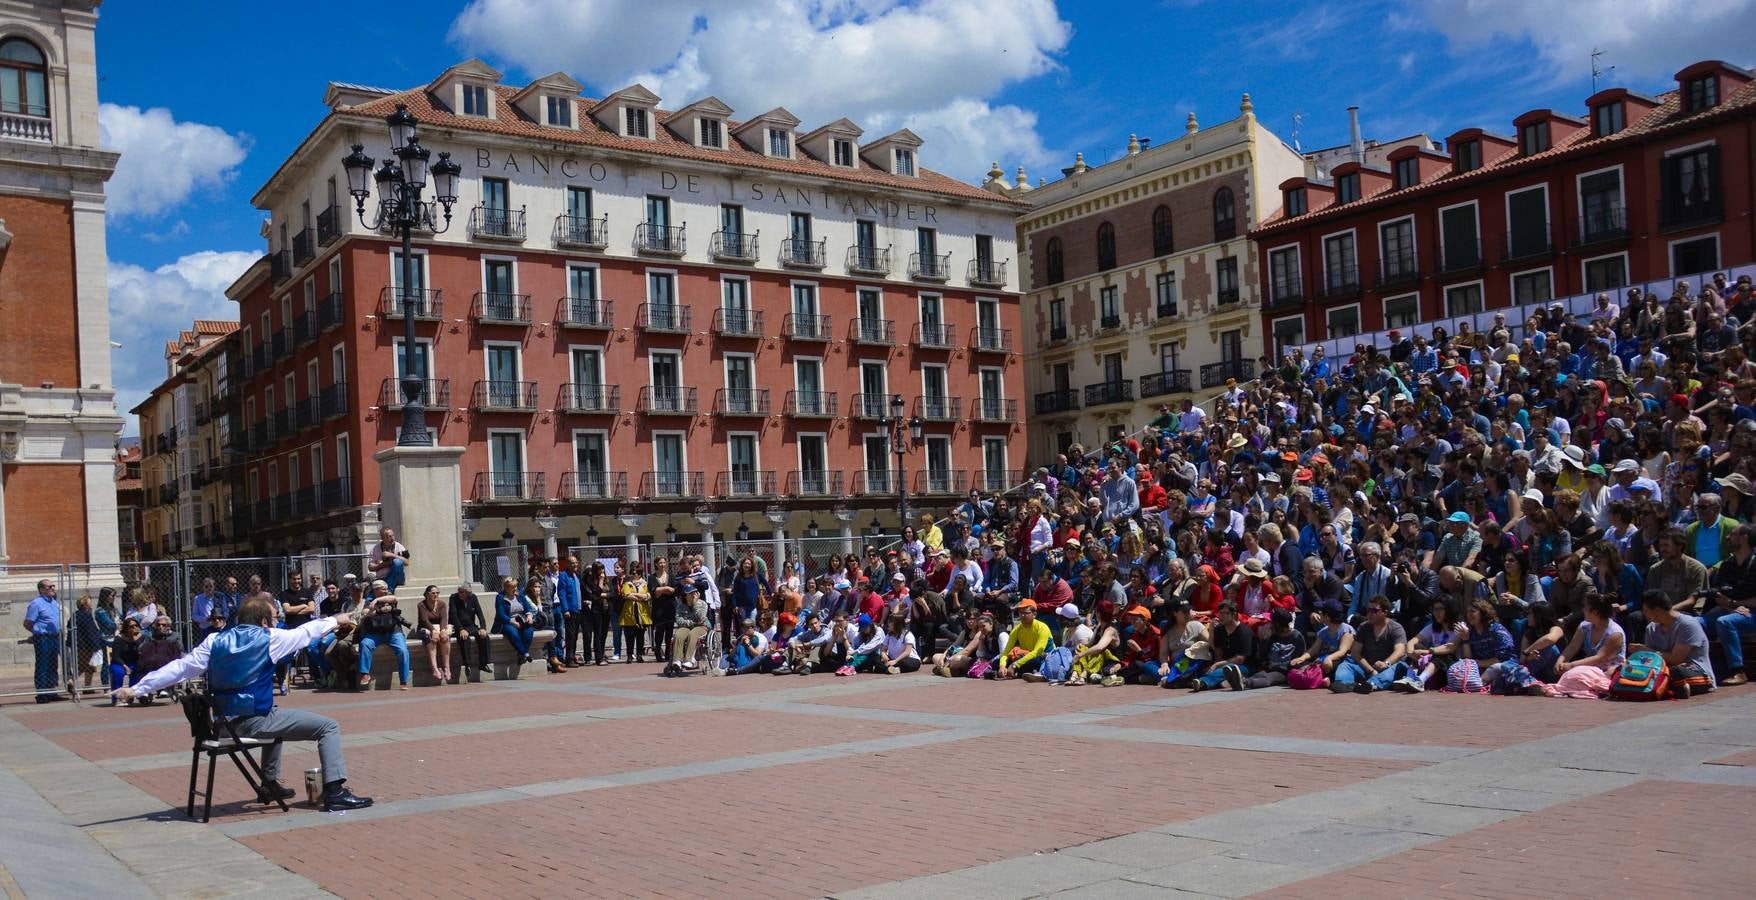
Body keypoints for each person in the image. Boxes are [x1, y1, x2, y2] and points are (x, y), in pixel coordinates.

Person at [114, 596, 373, 811]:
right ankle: (335, 791)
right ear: (263, 622)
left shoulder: (215, 641)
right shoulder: (269, 638)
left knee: (276, 715)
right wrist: (336, 619)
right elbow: (306, 632)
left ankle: (269, 783)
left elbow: (180, 668)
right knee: (328, 727)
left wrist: (136, 688)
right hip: (253, 723)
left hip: (222, 725)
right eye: (272, 619)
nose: (275, 624)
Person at [1634, 592, 1716, 697]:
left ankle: (1670, 688)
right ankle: (1673, 689)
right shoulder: (1651, 628)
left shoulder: (1688, 625)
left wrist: (1646, 651)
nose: (1644, 614)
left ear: (1658, 611)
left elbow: (1676, 659)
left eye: (1646, 611)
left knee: (1676, 671)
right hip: (1664, 670)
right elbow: (1651, 661)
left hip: (1694, 671)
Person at [1330, 595, 1408, 694]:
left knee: (1398, 667)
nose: (1370, 614)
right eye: (1369, 610)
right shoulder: (1364, 627)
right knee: (1345, 665)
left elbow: (1400, 651)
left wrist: (1386, 663)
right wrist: (1370, 670)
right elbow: (1355, 653)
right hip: (1368, 668)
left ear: (1385, 612)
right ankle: (1343, 684)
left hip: (1388, 668)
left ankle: (1371, 685)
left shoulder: (1396, 628)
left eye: (1374, 611)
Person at [355, 583, 412, 690]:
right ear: (375, 590)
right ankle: (365, 674)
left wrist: (377, 600)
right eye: (383, 589)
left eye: (386, 588)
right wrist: (378, 610)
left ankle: (404, 681)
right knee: (365, 644)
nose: (386, 591)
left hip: (393, 632)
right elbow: (366, 613)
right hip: (375, 633)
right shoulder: (369, 600)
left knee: (403, 651)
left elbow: (394, 598)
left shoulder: (389, 598)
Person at [22, 580, 63, 703]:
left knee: (53, 665)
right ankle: (41, 694)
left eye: (53, 586)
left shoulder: (54, 602)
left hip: (54, 637)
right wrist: (37, 631)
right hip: (43, 638)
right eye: (49, 586)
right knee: (42, 666)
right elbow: (28, 623)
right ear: (41, 590)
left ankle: (51, 692)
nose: (52, 588)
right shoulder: (36, 603)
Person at [995, 599, 1051, 680]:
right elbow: (1006, 651)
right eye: (1020, 613)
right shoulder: (1016, 629)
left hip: (1043, 657)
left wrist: (1015, 665)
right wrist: (1002, 666)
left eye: (1026, 613)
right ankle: (1010, 672)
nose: (1022, 616)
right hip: (1025, 656)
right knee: (997, 663)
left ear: (1034, 614)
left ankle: (1018, 672)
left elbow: (1037, 652)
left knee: (1032, 661)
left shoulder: (1042, 628)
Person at [492, 576, 538, 664]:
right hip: (506, 622)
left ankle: (521, 654)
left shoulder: (520, 595)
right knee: (512, 632)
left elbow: (527, 608)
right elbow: (501, 615)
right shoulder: (500, 597)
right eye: (512, 587)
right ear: (506, 588)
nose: (515, 589)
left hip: (521, 620)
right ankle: (525, 654)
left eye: (516, 586)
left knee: (529, 631)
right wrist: (512, 622)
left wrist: (529, 616)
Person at [449, 583, 491, 673]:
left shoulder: (473, 598)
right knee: (464, 638)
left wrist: (483, 627)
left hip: (471, 626)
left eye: (462, 592)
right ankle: (467, 664)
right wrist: (461, 629)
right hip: (458, 626)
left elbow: (480, 613)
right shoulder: (453, 598)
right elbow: (453, 616)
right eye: (459, 591)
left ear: (468, 593)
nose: (459, 594)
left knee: (484, 636)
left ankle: (483, 663)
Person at [414, 584, 452, 683]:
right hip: (426, 628)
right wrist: (433, 630)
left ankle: (447, 667)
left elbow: (444, 618)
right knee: (431, 639)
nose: (436, 595)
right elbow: (424, 620)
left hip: (439, 627)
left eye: (437, 593)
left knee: (445, 638)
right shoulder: (421, 605)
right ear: (427, 594)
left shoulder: (442, 604)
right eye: (433, 593)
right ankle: (434, 668)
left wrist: (443, 630)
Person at [619, 561, 653, 663]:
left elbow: (648, 596)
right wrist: (641, 597)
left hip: (642, 614)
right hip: (630, 614)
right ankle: (629, 655)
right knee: (629, 636)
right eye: (633, 573)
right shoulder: (627, 583)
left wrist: (637, 596)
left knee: (640, 636)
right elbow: (626, 595)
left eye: (637, 573)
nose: (635, 575)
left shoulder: (645, 584)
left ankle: (639, 655)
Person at [108, 618, 144, 705]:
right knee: (118, 673)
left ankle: (129, 695)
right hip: (119, 663)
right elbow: (116, 656)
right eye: (131, 626)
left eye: (136, 625)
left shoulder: (142, 638)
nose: (134, 628)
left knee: (137, 670)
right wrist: (125, 666)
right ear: (126, 628)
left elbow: (143, 653)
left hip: (133, 662)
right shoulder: (119, 639)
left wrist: (137, 640)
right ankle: (118, 698)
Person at [368, 526, 411, 592]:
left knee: (397, 562)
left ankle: (389, 590)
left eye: (393, 535)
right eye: (389, 537)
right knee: (369, 597)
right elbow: (371, 567)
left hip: (397, 578)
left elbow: (407, 562)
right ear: (382, 538)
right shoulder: (375, 549)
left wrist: (392, 555)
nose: (392, 538)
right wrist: (385, 564)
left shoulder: (399, 546)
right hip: (382, 579)